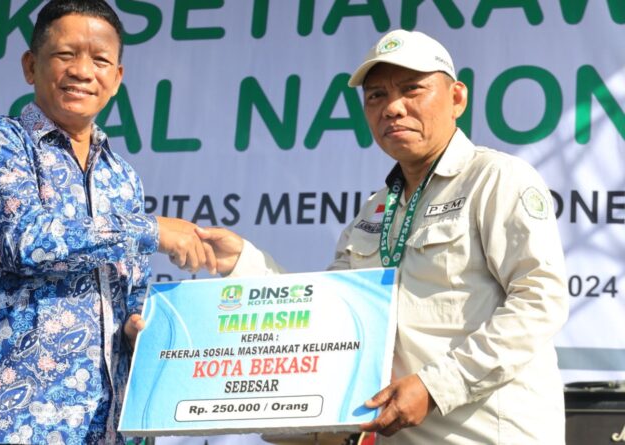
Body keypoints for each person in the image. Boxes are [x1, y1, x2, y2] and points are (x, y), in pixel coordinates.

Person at [198, 29, 568, 444]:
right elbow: (326, 312)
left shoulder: (496, 178)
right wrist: (242, 263)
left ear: (457, 98)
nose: (392, 107)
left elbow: (539, 302)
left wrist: (435, 386)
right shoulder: (376, 208)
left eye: (412, 89)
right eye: (376, 95)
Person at [0, 1, 215, 443]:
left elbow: (131, 291)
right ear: (30, 65)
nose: (82, 71)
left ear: (116, 78)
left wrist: (140, 325)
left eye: (100, 60)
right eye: (65, 54)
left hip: (103, 428)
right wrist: (151, 229)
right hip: (8, 425)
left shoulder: (122, 177)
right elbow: (23, 241)